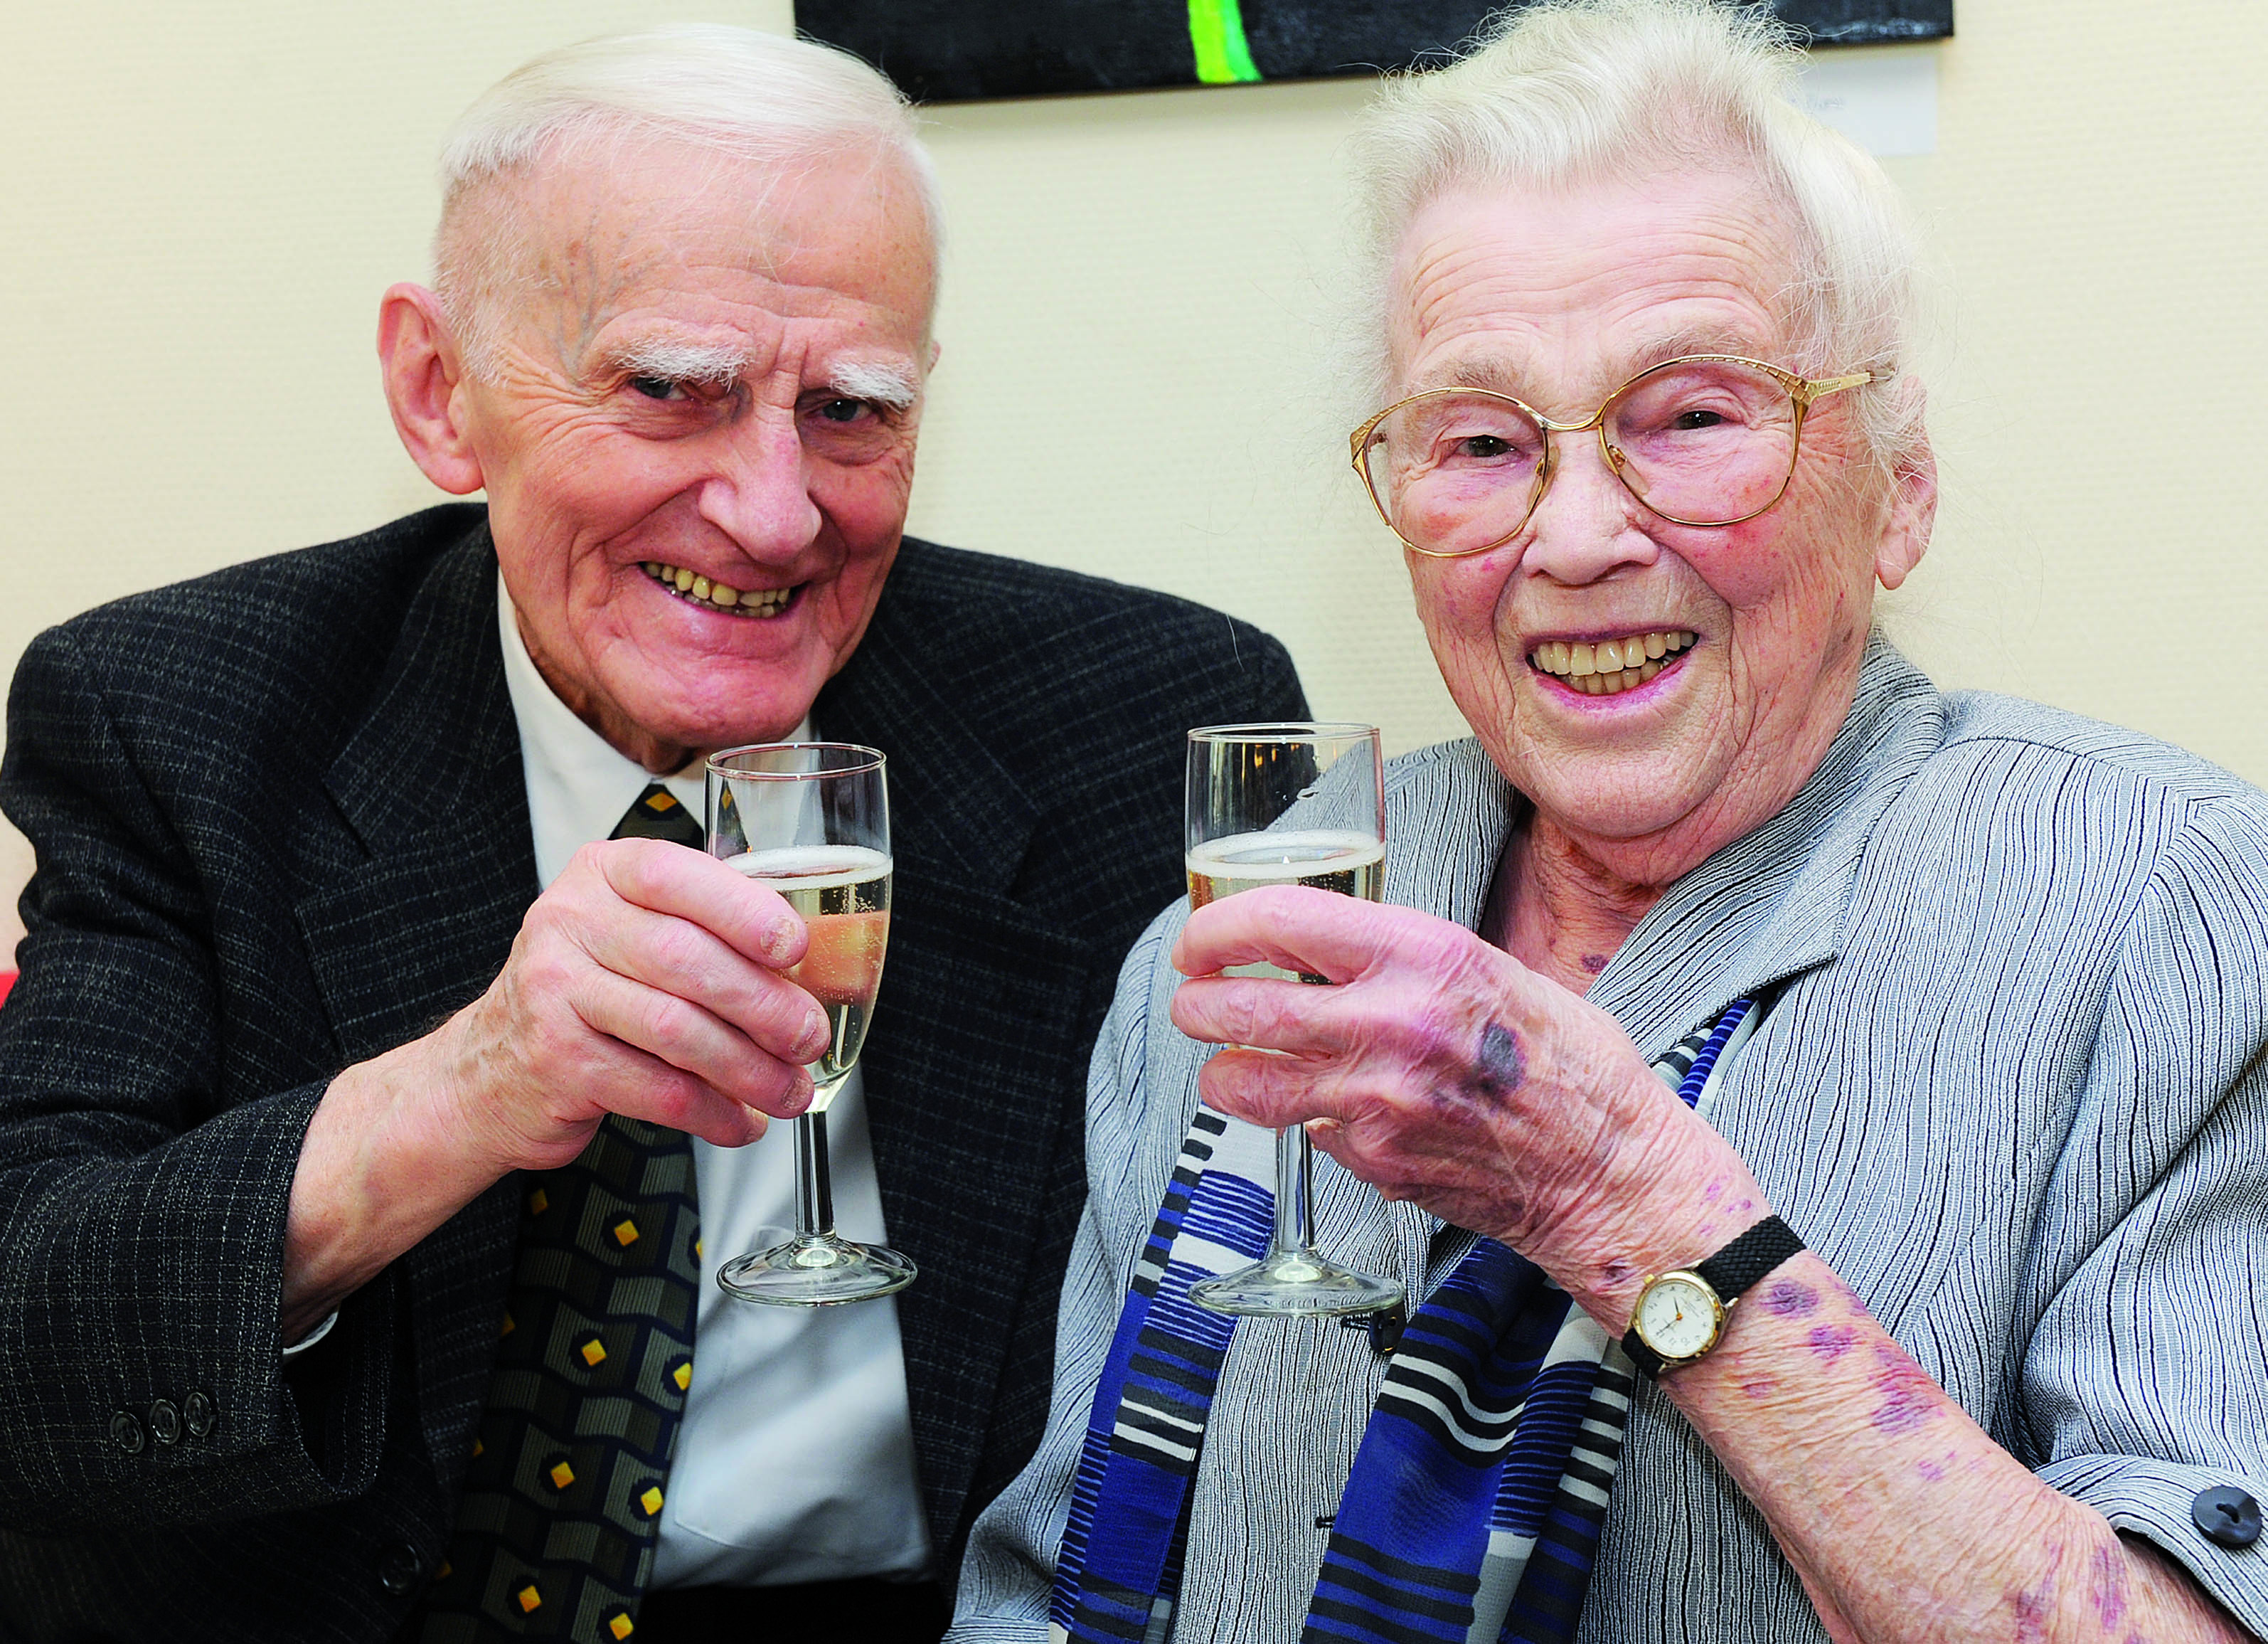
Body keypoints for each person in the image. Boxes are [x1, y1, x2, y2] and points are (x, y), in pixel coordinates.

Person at [949, 3, 2268, 1640]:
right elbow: (1035, 1577)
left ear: (1899, 488)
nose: (1572, 535)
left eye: (1692, 416)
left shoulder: (2167, 908)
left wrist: (1626, 1201)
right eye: (1481, 442)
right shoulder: (1249, 926)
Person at [0, 25, 1306, 1644]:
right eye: (667, 393)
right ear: (439, 393)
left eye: (847, 409)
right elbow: (33, 1333)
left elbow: (1268, 1346)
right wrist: (474, 1082)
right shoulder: (182, 713)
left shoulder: (1141, 721)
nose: (772, 512)